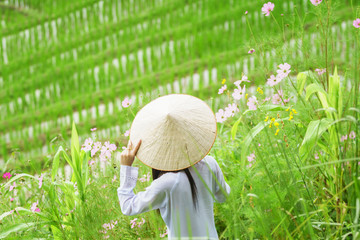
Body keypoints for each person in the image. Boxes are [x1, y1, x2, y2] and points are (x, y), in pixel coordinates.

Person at [117, 94, 231, 239]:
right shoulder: (209, 164)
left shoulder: (167, 183)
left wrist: (126, 168)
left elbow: (127, 206)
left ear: (157, 147)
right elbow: (223, 196)